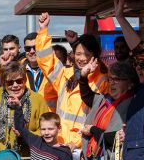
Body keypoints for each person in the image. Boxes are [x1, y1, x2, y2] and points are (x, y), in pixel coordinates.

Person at [34, 13, 110, 147]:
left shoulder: (102, 81)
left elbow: (101, 118)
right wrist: (43, 30)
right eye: (78, 54)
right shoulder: (65, 74)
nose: (81, 58)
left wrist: (77, 142)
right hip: (60, 142)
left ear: (95, 55)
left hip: (84, 145)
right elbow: (45, 59)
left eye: (86, 54)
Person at [79, 60, 138, 160]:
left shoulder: (132, 105)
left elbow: (115, 138)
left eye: (117, 80)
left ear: (130, 83)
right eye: (110, 79)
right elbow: (87, 96)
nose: (112, 83)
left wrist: (92, 130)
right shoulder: (105, 99)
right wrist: (83, 76)